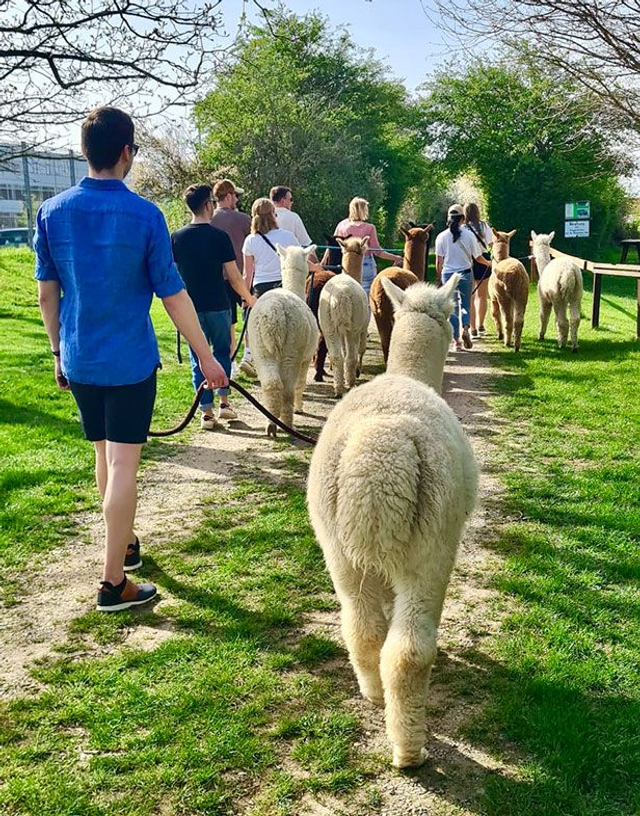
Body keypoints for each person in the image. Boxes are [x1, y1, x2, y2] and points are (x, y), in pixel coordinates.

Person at [34, 107, 228, 613]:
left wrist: (57, 351)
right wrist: (207, 356)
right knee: (122, 463)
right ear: (126, 152)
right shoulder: (146, 216)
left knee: (104, 455)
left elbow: (46, 294)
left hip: (79, 356)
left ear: (84, 151)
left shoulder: (52, 211)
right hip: (128, 359)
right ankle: (112, 580)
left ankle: (126, 542)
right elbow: (173, 294)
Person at [172, 184, 256, 429]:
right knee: (222, 352)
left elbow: (174, 276)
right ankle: (224, 402)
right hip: (219, 305)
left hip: (190, 308)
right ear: (208, 204)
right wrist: (248, 298)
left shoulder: (177, 237)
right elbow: (233, 276)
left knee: (199, 355)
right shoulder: (220, 237)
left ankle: (205, 411)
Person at [435, 203, 492, 350]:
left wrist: (439, 279)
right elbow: (478, 257)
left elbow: (439, 262)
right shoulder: (469, 235)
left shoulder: (441, 237)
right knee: (466, 304)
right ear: (462, 218)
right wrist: (489, 263)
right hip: (466, 273)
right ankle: (466, 328)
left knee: (452, 307)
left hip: (448, 274)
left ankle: (457, 341)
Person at [210, 179, 252, 377]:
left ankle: (231, 361)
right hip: (242, 275)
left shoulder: (209, 219)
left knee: (228, 322)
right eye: (235, 195)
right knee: (249, 316)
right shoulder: (243, 219)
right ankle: (248, 355)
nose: (237, 199)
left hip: (219, 278)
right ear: (228, 196)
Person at [242, 197, 323, 298]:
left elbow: (247, 274)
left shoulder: (250, 240)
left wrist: (245, 299)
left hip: (261, 288)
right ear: (273, 214)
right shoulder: (288, 236)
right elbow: (302, 261)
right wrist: (317, 267)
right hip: (284, 285)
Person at [334, 197, 401, 300]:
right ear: (363, 210)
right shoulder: (369, 228)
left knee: (349, 293)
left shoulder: (342, 226)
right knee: (367, 298)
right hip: (365, 263)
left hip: (347, 264)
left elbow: (332, 245)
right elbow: (377, 251)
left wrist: (323, 262)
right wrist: (395, 257)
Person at [463, 202, 493, 338]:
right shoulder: (484, 226)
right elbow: (492, 243)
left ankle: (473, 328)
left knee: (470, 295)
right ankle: (481, 325)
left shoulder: (463, 228)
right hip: (484, 261)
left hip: (468, 260)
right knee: (482, 295)